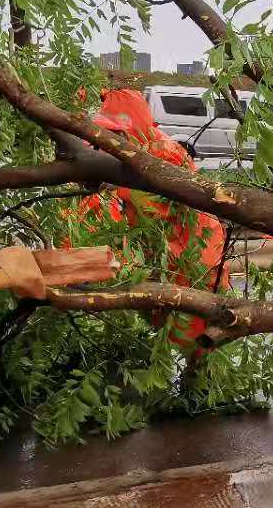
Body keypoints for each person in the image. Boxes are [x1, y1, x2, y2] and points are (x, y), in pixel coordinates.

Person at [75, 87, 228, 357]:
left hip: (193, 251)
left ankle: (198, 386)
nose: (113, 139)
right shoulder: (131, 153)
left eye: (118, 132)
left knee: (195, 332)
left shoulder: (163, 156)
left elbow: (154, 210)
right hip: (166, 251)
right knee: (165, 326)